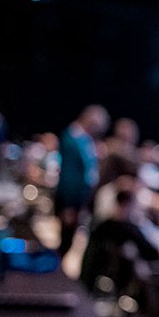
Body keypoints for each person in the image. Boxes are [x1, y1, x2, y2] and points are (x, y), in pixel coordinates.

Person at [55, 104, 109, 256]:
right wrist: (68, 205)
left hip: (80, 197)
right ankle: (56, 267)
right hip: (71, 199)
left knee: (70, 238)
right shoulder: (72, 139)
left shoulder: (84, 139)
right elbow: (69, 175)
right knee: (66, 238)